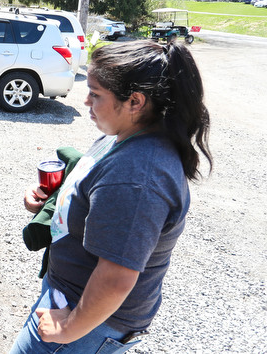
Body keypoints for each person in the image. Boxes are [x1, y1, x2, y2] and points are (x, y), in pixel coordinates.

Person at [11, 41, 212, 353]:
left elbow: (116, 278)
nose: (86, 99)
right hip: (74, 301)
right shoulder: (125, 136)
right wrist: (55, 201)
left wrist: (68, 328)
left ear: (135, 101)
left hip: (87, 320)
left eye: (96, 94)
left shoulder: (138, 176)